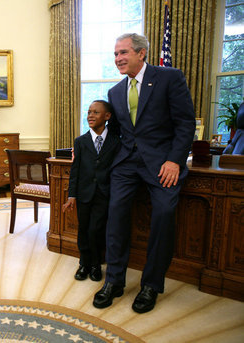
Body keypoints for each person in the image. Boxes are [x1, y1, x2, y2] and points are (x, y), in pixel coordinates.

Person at [92, 33, 196, 314]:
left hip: (163, 163)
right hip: (126, 163)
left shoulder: (170, 77)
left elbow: (186, 123)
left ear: (142, 53)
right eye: (115, 54)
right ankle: (114, 280)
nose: (118, 59)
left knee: (163, 215)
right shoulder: (115, 92)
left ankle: (151, 285)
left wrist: (175, 160)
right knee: (115, 214)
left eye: (123, 52)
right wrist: (87, 147)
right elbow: (115, 133)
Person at [62, 100, 120, 282]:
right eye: (89, 112)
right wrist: (72, 195)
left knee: (96, 229)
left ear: (107, 116)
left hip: (104, 194)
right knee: (84, 229)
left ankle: (95, 264)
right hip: (84, 193)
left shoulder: (116, 141)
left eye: (95, 112)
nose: (90, 116)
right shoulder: (81, 141)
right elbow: (75, 171)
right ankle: (83, 264)